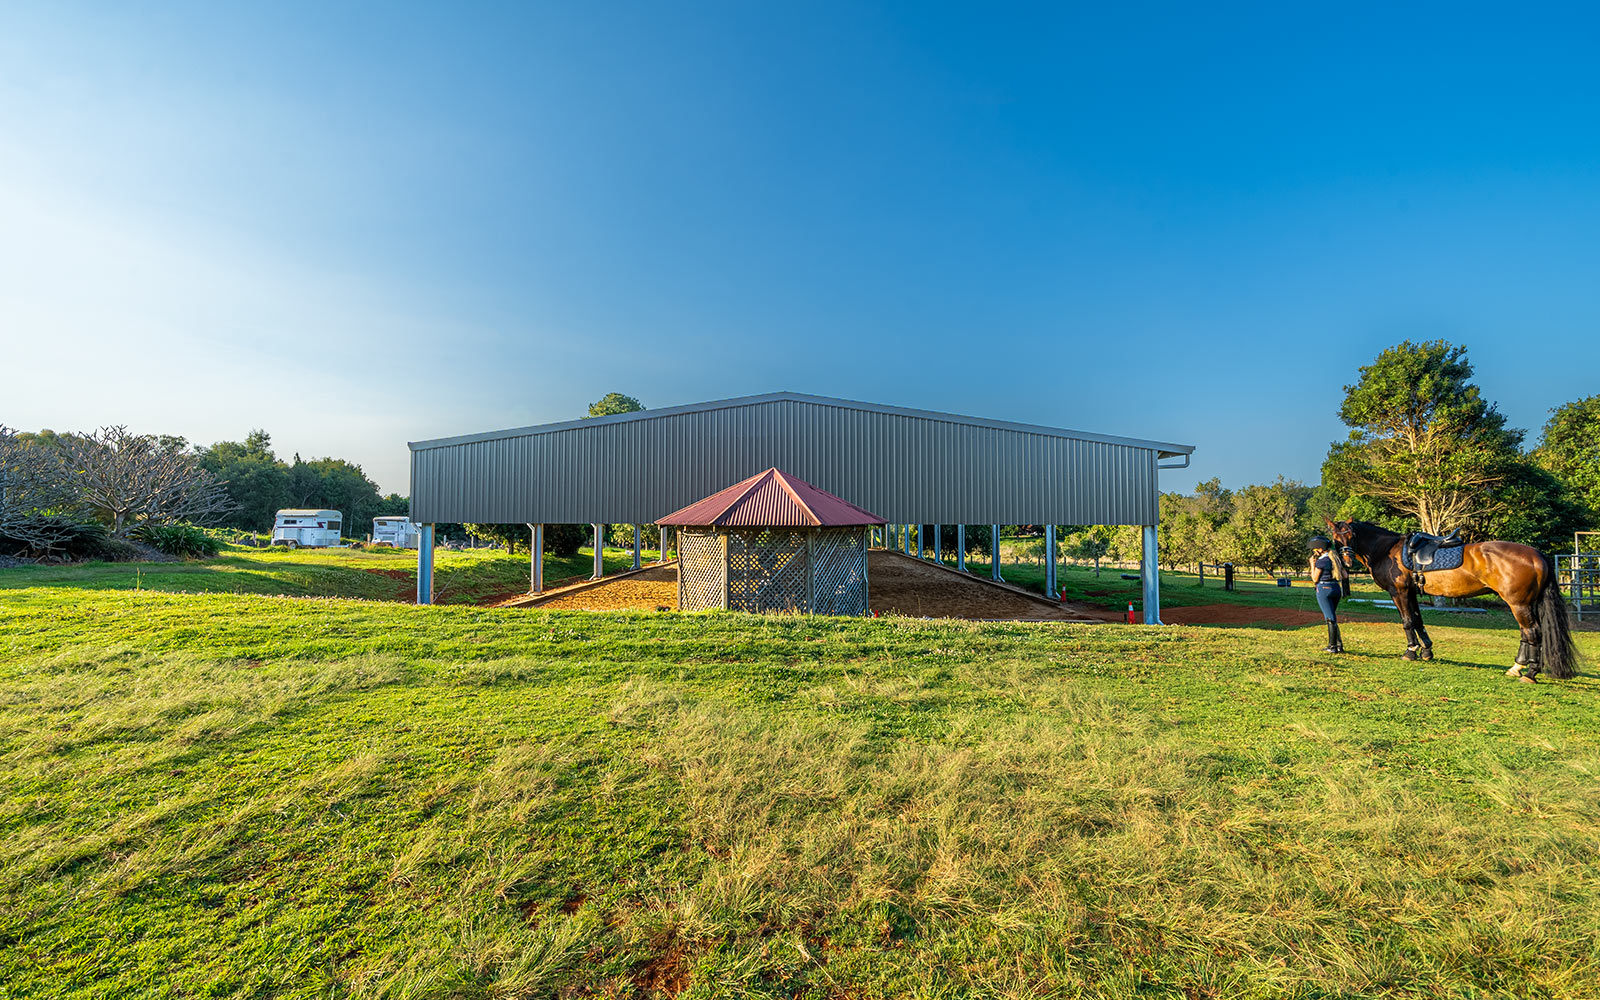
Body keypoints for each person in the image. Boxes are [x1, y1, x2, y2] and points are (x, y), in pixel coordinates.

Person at [1308, 535, 1350, 653]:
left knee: (1330, 618)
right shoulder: (1336, 559)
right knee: (1332, 617)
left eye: (1314, 549)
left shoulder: (1321, 561)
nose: (1313, 551)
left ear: (1320, 549)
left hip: (1323, 589)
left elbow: (1315, 578)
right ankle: (1339, 645)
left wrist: (1312, 564)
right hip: (1336, 588)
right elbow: (1345, 576)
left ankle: (1332, 647)